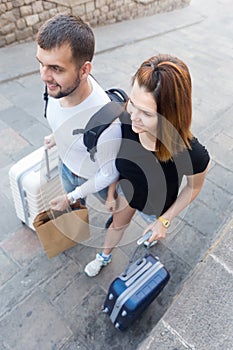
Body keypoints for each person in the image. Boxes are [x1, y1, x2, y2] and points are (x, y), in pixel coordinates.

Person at [84, 53, 210, 277]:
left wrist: (164, 221)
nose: (133, 117)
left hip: (157, 207)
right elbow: (116, 162)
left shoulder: (191, 152)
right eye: (132, 103)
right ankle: (104, 255)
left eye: (147, 113)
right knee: (116, 226)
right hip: (128, 191)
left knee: (152, 231)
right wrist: (112, 192)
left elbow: (194, 187)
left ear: (171, 115)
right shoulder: (123, 120)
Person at [36, 14, 121, 211]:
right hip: (65, 165)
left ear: (84, 71)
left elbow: (108, 174)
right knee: (76, 213)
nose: (44, 76)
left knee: (114, 208)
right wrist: (57, 136)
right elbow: (67, 121)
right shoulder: (55, 87)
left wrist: (71, 196)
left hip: (92, 176)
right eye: (41, 63)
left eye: (56, 68)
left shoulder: (107, 124)